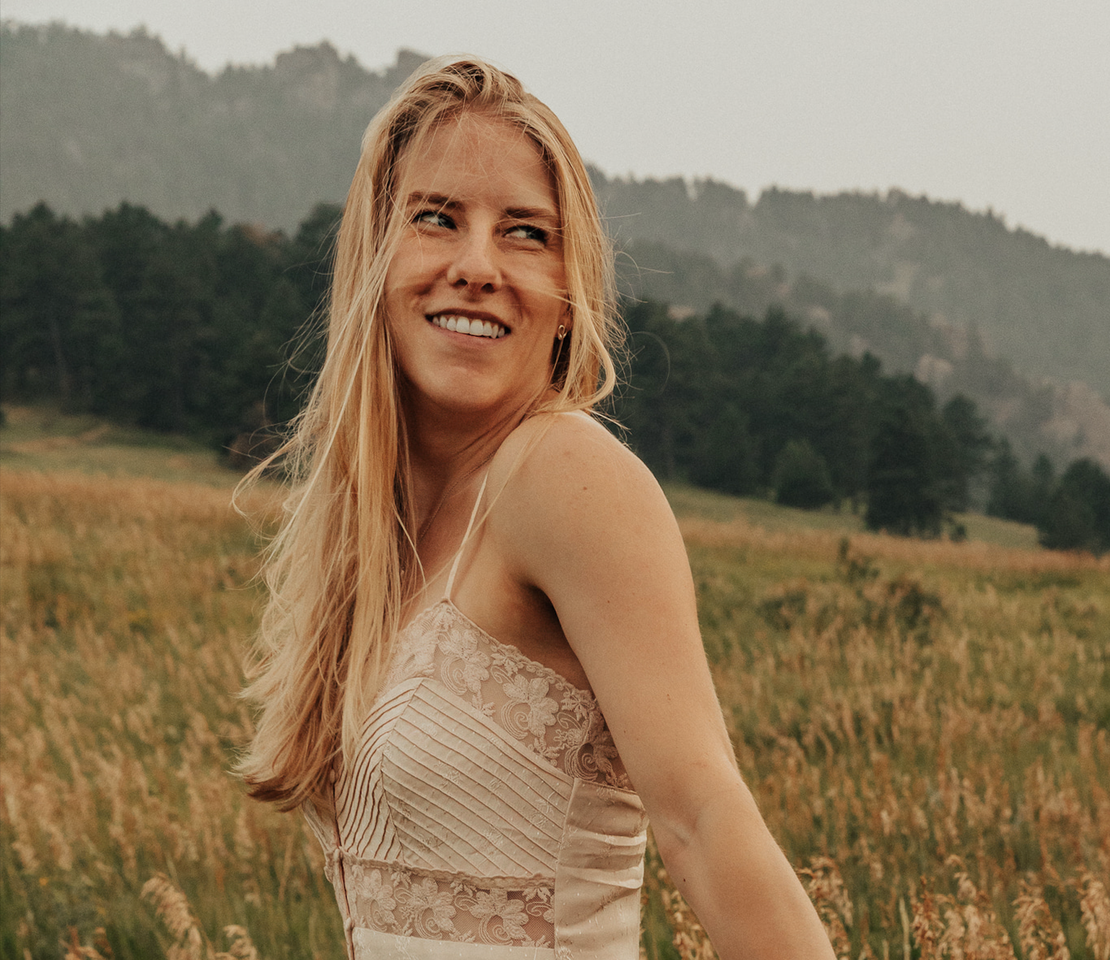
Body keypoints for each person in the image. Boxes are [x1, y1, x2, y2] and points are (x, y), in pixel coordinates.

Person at [239, 56, 835, 960]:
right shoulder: (375, 529)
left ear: (568, 298)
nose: (476, 266)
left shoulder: (565, 479)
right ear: (375, 258)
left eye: (524, 232)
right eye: (436, 219)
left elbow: (704, 824)